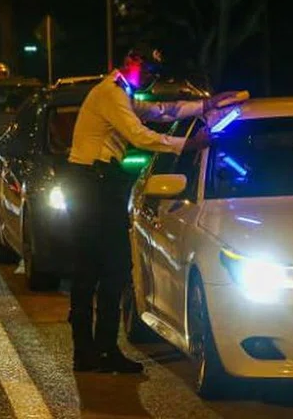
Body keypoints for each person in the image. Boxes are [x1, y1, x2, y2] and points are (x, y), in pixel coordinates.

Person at [66, 44, 248, 373]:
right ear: (130, 62)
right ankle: (89, 352)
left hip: (98, 185)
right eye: (147, 69)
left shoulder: (121, 93)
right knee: (98, 270)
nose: (151, 77)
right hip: (92, 186)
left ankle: (102, 350)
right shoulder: (111, 93)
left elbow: (160, 111)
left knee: (110, 270)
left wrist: (206, 105)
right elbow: (139, 134)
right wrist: (188, 145)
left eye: (155, 73)